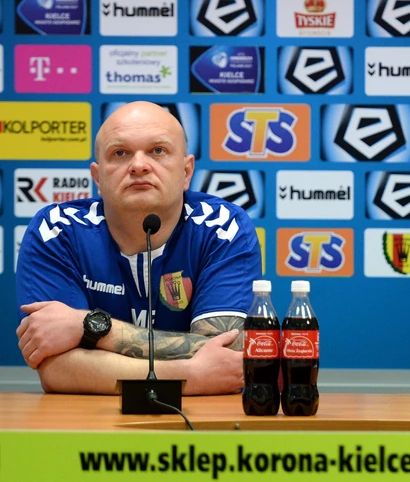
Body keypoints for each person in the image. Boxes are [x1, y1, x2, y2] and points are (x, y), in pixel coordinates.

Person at [15, 101, 262, 395]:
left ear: (186, 172)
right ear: (98, 178)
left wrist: (91, 326)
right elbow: (57, 369)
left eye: (158, 151)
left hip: (200, 417)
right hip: (93, 417)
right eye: (120, 153)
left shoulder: (223, 227)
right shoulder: (57, 230)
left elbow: (227, 354)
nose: (139, 165)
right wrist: (188, 376)